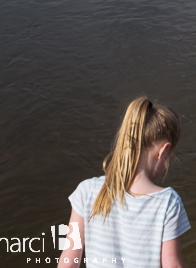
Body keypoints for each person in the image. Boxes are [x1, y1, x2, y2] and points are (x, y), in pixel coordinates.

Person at [57, 97, 189, 268]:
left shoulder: (86, 191)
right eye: (169, 159)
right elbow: (173, 265)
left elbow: (68, 262)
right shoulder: (167, 202)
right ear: (163, 150)